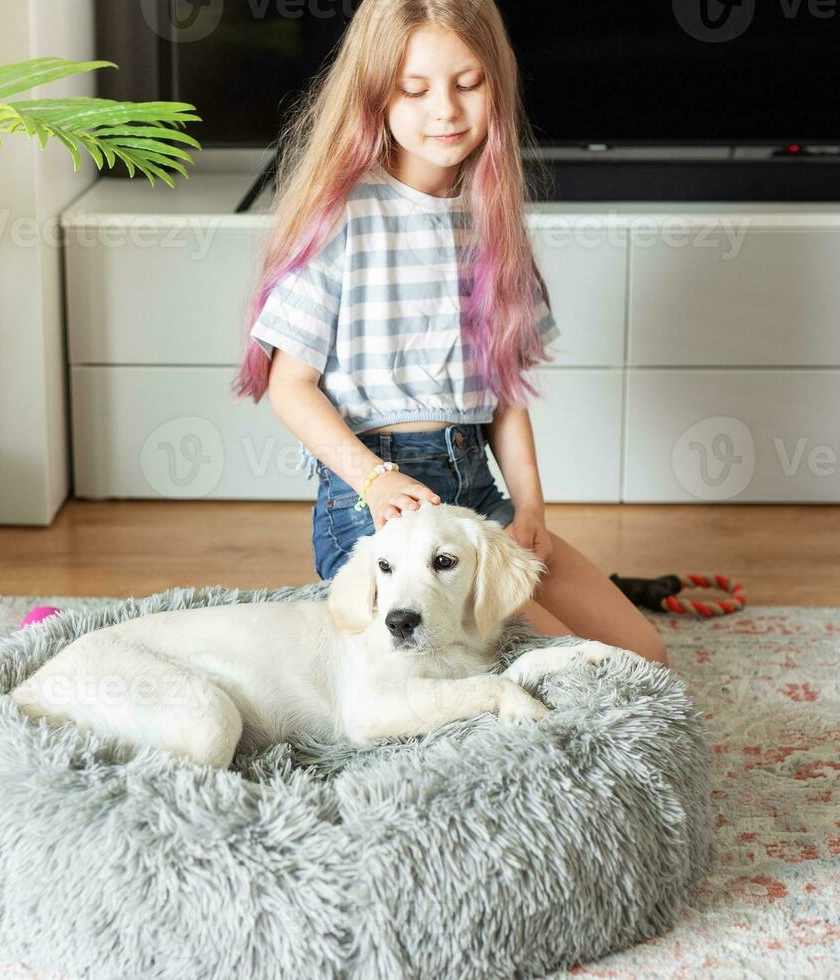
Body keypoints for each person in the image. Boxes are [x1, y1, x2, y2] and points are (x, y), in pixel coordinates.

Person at [232, 0, 667, 666]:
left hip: (476, 490)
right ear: (376, 94)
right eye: (414, 89)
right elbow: (291, 388)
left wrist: (529, 510)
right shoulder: (342, 217)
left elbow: (504, 394)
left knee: (642, 654)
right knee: (565, 663)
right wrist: (374, 481)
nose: (445, 110)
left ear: (497, 80)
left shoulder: (489, 222)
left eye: (467, 84)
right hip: (377, 502)